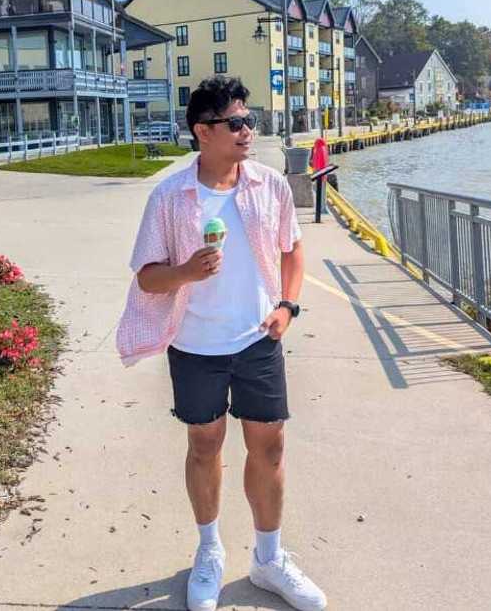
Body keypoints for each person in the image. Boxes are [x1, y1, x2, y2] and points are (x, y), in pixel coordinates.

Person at [116, 77, 325, 611]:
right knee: (204, 447)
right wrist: (185, 271)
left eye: (249, 120)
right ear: (202, 132)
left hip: (258, 340)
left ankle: (269, 559)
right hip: (194, 346)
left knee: (269, 447)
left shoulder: (268, 185)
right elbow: (147, 278)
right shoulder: (169, 196)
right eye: (235, 122)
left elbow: (293, 252)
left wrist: (287, 306)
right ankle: (209, 551)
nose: (247, 130)